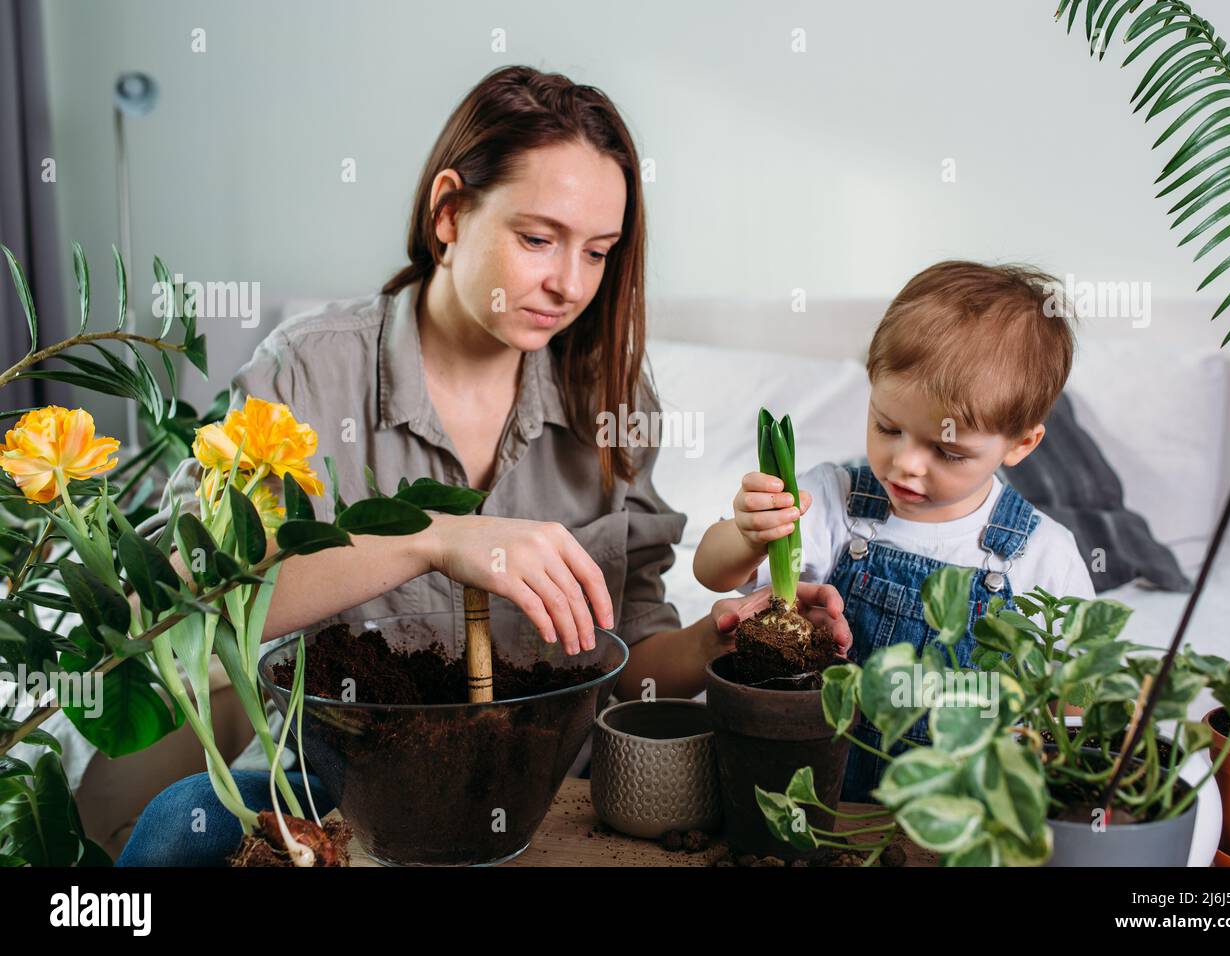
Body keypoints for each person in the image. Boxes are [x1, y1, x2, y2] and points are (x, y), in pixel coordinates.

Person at [117, 64, 848, 866]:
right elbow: (178, 603)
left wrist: (721, 636)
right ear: (450, 211)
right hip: (351, 795)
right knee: (175, 826)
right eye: (538, 239)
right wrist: (430, 540)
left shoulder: (610, 394)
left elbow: (629, 662)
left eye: (599, 252)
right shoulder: (307, 377)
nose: (569, 284)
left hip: (555, 796)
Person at [693, 260, 1095, 801]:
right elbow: (712, 574)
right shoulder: (837, 502)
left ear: (1021, 444)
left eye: (948, 451)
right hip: (824, 802)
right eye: (888, 427)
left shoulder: (1042, 555)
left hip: (957, 819)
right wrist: (746, 534)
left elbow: (1076, 702)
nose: (905, 463)